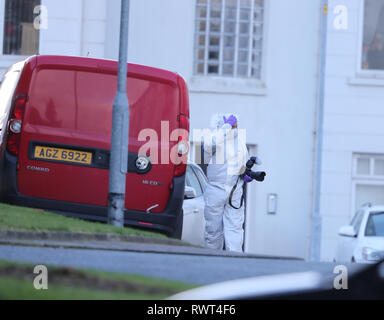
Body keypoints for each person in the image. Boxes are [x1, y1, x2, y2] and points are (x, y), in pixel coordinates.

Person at [202, 114, 249, 252]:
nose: (234, 128)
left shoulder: (239, 142)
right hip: (216, 189)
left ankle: (234, 260)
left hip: (235, 190)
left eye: (234, 125)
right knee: (213, 230)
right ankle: (212, 259)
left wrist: (245, 173)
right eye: (231, 125)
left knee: (235, 229)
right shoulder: (212, 138)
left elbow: (243, 162)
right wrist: (226, 128)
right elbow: (209, 146)